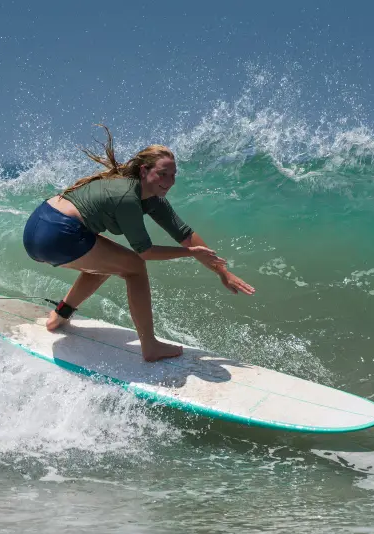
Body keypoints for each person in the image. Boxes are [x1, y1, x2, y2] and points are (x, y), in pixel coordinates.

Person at [22, 126, 255, 362]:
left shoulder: (151, 197)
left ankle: (59, 316)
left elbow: (185, 233)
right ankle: (150, 346)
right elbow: (145, 252)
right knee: (133, 266)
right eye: (162, 174)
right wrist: (189, 253)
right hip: (58, 234)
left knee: (110, 263)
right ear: (144, 171)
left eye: (173, 175)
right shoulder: (128, 197)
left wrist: (223, 272)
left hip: (38, 226)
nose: (169, 181)